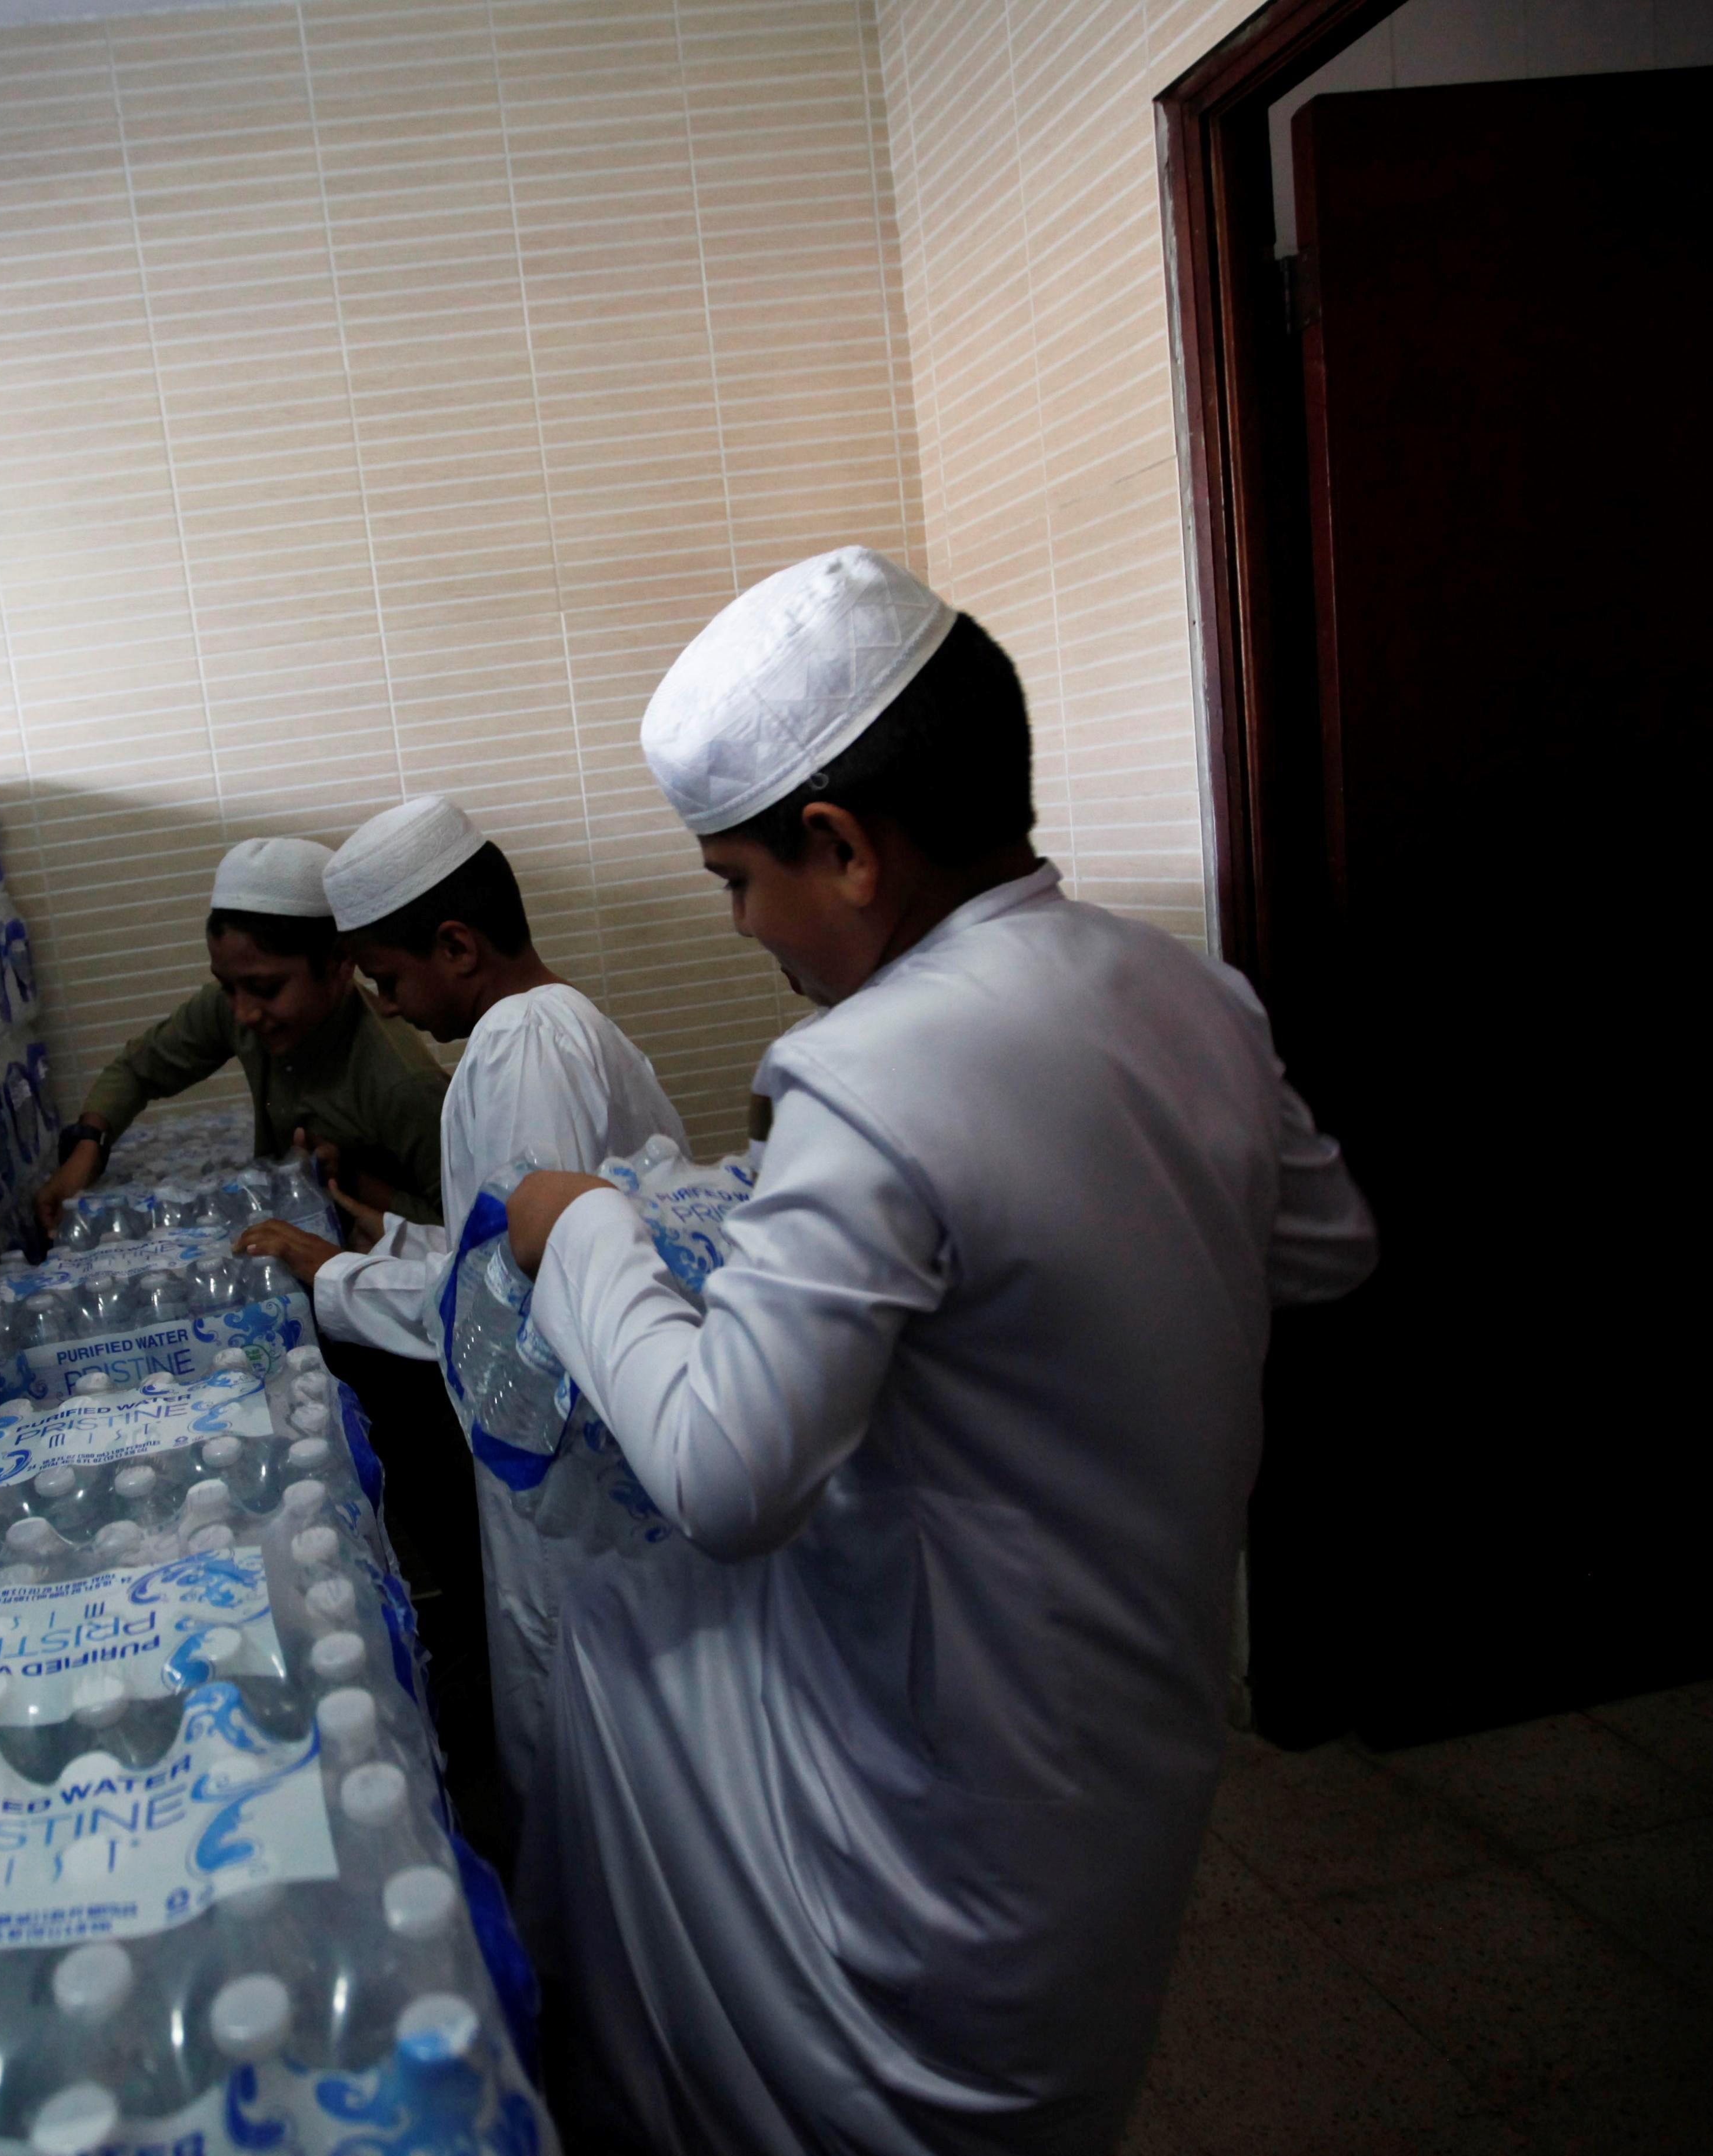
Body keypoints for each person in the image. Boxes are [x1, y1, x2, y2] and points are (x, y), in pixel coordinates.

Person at [498, 546, 1377, 2155]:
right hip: (1133, 1731)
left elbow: (718, 1472)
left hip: (948, 1783)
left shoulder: (865, 1071)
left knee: (621, 1651)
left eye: (733, 884)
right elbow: (1325, 1245)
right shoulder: (1192, 994)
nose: (746, 930)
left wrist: (589, 1238)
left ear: (837, 850)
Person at [234, 795, 686, 1820]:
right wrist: (378, 1233)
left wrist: (334, 1277)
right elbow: (503, 1239)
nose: (385, 1007)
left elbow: (527, 1293)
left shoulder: (524, 1040)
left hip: (575, 1483)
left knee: (594, 1755)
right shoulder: (542, 1030)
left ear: (457, 944)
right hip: (561, 1467)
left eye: (389, 979)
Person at [35, 835, 448, 1239]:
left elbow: (461, 1228)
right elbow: (138, 1070)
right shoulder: (234, 1006)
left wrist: (356, 1181)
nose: (244, 1013)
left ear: (340, 963)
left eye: (267, 989)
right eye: (228, 987)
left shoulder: (402, 1083)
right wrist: (88, 1150)